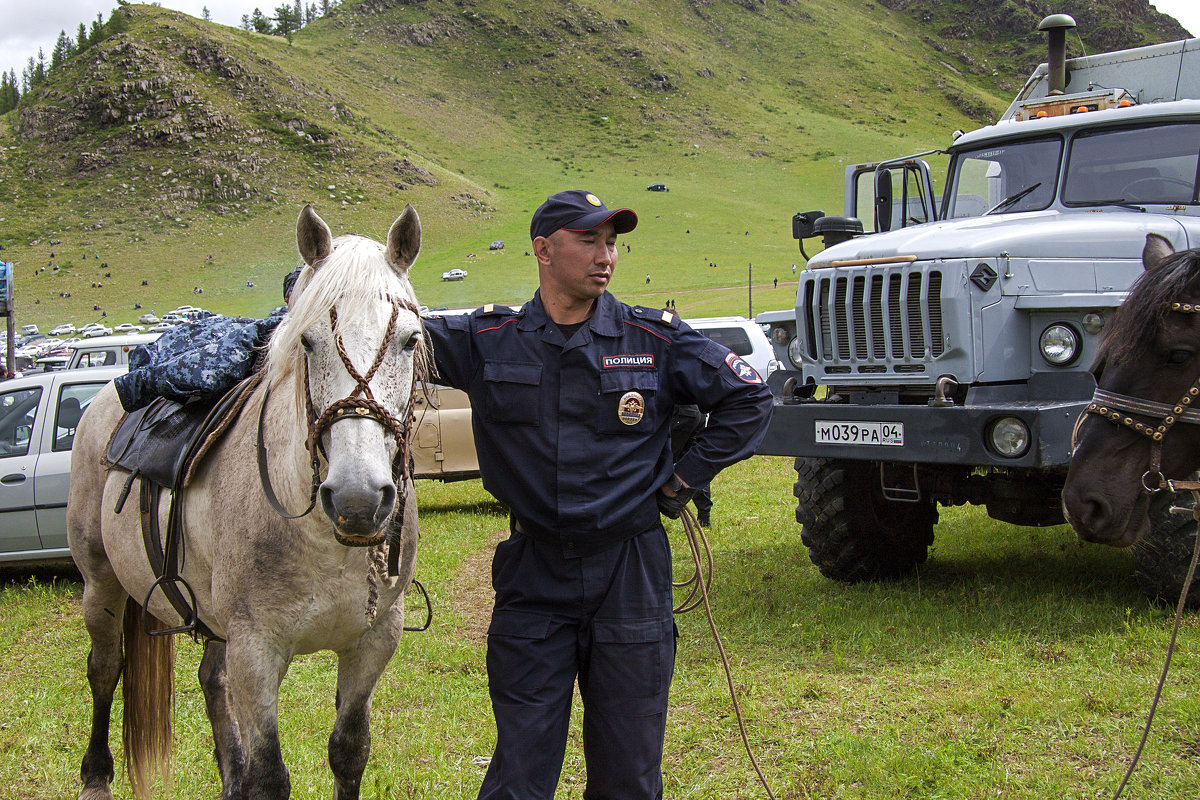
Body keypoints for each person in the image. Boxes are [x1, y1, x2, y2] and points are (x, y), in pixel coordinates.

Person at [422, 189, 773, 800]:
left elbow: (749, 399)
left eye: (611, 242)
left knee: (628, 772)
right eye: (588, 240)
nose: (605, 255)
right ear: (543, 250)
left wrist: (682, 481)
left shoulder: (653, 339)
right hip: (534, 576)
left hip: (629, 572)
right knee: (520, 773)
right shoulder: (487, 339)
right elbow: (385, 334)